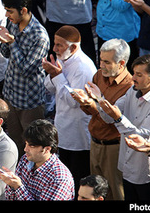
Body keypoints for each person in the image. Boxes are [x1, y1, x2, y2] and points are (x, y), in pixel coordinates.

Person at [92, 54, 150, 200]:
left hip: (145, 172)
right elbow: (109, 117)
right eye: (134, 73)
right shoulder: (132, 91)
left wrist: (118, 118)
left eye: (139, 75)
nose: (133, 78)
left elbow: (142, 137)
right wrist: (98, 100)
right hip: (127, 168)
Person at [71, 38, 133, 200]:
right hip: (95, 142)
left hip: (115, 148)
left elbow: (110, 118)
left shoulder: (130, 86)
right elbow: (93, 112)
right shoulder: (99, 76)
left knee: (115, 192)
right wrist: (85, 102)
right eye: (101, 60)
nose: (101, 66)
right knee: (94, 192)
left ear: (121, 63)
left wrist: (98, 99)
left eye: (107, 62)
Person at [0, 0, 49, 154]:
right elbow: (5, 54)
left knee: (32, 143)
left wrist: (11, 43)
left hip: (29, 101)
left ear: (23, 10)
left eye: (10, 11)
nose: (6, 15)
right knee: (14, 140)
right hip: (11, 95)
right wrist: (3, 41)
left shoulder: (39, 36)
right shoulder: (13, 24)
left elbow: (27, 69)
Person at [42, 25, 97, 192]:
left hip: (78, 134)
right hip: (63, 128)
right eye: (55, 44)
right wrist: (53, 74)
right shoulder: (63, 58)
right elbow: (49, 88)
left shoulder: (83, 67)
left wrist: (57, 75)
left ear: (73, 47)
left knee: (77, 176)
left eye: (59, 45)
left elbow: (74, 102)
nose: (55, 49)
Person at [0, 119, 75, 200]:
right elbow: (10, 196)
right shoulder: (25, 159)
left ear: (47, 149)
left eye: (31, 146)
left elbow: (18, 190)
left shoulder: (59, 178)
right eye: (26, 144)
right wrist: (11, 184)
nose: (25, 149)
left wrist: (18, 187)